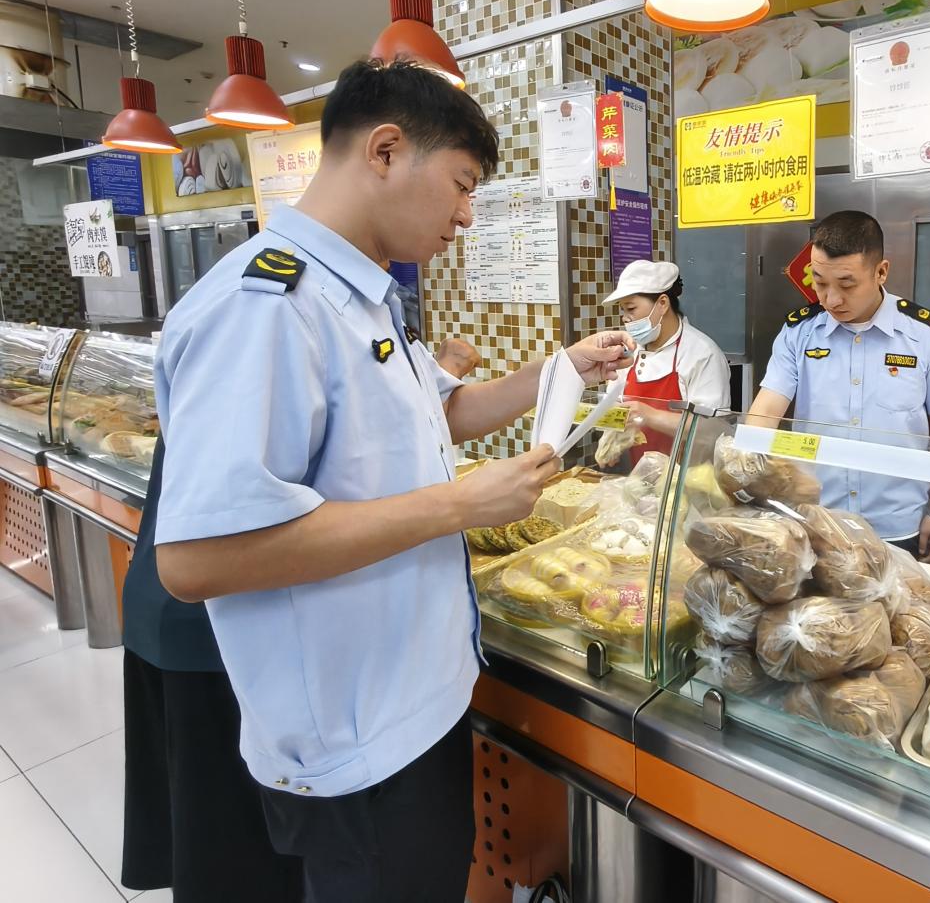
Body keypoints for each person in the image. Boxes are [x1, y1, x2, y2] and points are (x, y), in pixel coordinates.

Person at [150, 60, 631, 903]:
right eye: (462, 184)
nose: (467, 215)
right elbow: (197, 559)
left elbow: (436, 415)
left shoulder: (365, 298)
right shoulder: (266, 307)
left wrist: (558, 371)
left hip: (414, 708)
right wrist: (459, 504)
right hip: (355, 744)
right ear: (384, 151)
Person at [120, 336, 484, 903]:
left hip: (263, 645)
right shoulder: (261, 320)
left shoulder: (359, 313)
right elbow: (197, 561)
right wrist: (458, 505)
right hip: (221, 638)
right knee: (233, 855)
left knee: (276, 856)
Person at [747, 210, 930, 562]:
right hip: (816, 522)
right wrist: (748, 482)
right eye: (820, 282)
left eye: (847, 284)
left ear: (881, 271)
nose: (831, 299)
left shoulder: (925, 335)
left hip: (897, 526)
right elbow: (764, 414)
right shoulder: (799, 333)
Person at [601, 260, 731, 463]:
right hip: (635, 473)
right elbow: (613, 405)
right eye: (623, 310)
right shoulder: (629, 351)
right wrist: (611, 438)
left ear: (662, 303)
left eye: (631, 308)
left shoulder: (702, 353)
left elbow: (712, 430)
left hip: (685, 475)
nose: (625, 318)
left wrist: (649, 415)